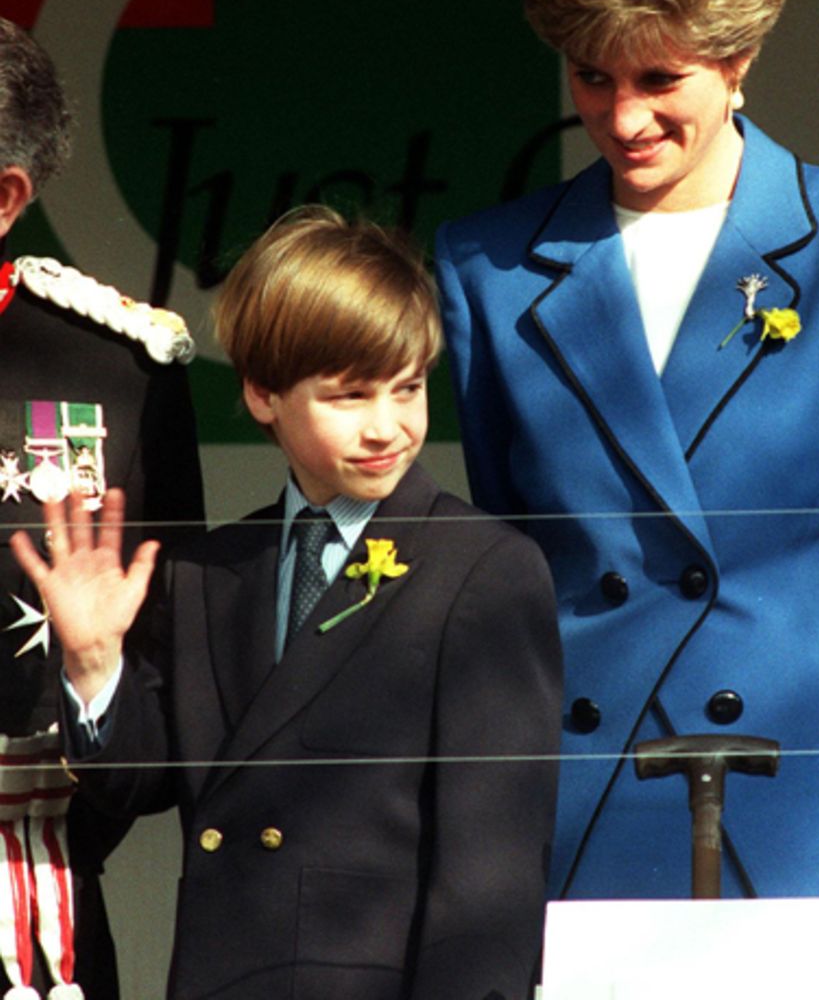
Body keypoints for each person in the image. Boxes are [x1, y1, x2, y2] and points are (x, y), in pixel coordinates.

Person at [434, 0, 819, 1000]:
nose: (622, 119)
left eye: (658, 79)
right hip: (586, 786)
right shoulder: (485, 263)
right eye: (590, 78)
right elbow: (516, 550)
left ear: (740, 60)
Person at [13, 205, 562, 1000]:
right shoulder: (207, 568)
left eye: (408, 389)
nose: (388, 427)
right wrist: (95, 665)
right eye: (350, 396)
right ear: (264, 395)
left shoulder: (485, 568)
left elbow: (491, 875)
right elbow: (143, 783)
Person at [0, 17, 204, 998]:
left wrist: (93, 673)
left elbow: (159, 753)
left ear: (6, 198)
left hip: (33, 922)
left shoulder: (119, 372)